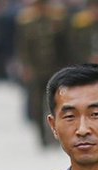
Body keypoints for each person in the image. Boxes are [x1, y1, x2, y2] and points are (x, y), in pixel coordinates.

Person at [16, 0, 67, 146]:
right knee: (37, 105)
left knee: (56, 105)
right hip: (36, 71)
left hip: (54, 71)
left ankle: (55, 135)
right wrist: (26, 67)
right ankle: (42, 137)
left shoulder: (57, 22)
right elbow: (23, 47)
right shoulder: (27, 23)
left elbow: (64, 47)